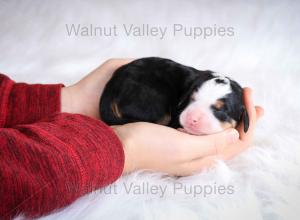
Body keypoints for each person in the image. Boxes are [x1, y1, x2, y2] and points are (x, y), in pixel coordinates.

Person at [0, 58, 263, 219]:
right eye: (193, 102)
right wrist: (129, 147)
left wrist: (73, 102)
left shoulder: (196, 85)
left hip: (128, 90)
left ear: (240, 116)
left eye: (217, 111)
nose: (194, 117)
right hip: (134, 94)